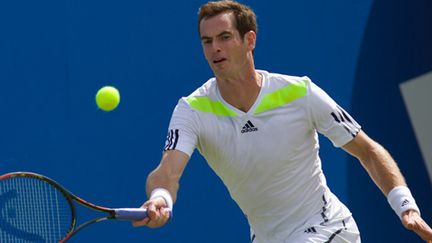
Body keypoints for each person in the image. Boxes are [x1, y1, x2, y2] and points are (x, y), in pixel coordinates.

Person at [133, 1, 432, 242]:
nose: (215, 49)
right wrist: (161, 198)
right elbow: (168, 172)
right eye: (207, 41)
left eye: (224, 37)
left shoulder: (300, 93)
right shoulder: (192, 109)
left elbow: (367, 150)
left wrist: (405, 206)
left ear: (249, 40)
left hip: (328, 229)